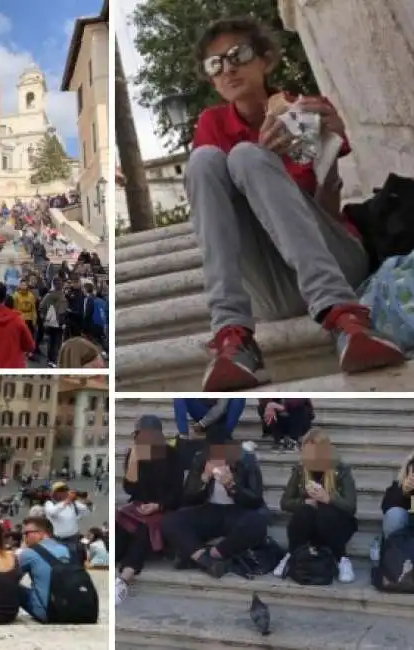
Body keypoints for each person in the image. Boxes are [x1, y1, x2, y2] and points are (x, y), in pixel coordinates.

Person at [186, 16, 404, 391]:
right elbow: (220, 215)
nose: (229, 68)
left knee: (246, 157)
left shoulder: (305, 111)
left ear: (266, 59)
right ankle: (232, 335)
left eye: (239, 54)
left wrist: (329, 151)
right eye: (215, 64)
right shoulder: (212, 124)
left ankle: (346, 317)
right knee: (208, 160)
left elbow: (330, 208)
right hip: (274, 286)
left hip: (335, 263)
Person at [160, 439, 268, 578]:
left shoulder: (246, 460)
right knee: (170, 521)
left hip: (237, 511)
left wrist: (232, 486)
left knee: (258, 524)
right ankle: (203, 559)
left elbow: (255, 499)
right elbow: (187, 497)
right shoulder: (201, 459)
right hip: (210, 510)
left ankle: (213, 555)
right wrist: (203, 479)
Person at [115, 415, 184, 603]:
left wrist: (158, 505)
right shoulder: (136, 454)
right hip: (139, 506)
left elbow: (178, 492)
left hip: (164, 507)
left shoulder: (172, 455)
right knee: (119, 526)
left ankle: (124, 579)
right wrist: (134, 460)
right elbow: (130, 488)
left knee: (141, 531)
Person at [278, 428, 357, 583]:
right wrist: (304, 501)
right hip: (310, 525)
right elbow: (285, 502)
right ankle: (291, 555)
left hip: (337, 525)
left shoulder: (341, 470)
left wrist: (328, 498)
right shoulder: (301, 470)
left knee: (326, 512)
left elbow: (351, 506)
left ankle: (342, 558)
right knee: (304, 511)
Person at [17, 516, 69, 623]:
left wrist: (22, 550)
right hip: (71, 609)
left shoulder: (29, 553)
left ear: (41, 533)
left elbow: (9, 577)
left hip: (48, 613)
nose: (24, 537)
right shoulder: (65, 550)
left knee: (13, 587)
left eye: (26, 533)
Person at [44, 483, 90, 566]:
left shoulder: (72, 503)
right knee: (59, 563)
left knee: (76, 562)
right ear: (54, 493)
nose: (64, 493)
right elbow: (52, 512)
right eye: (60, 491)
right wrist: (67, 501)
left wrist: (78, 500)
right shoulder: (49, 503)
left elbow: (85, 510)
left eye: (65, 490)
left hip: (73, 539)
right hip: (58, 540)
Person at [381, 451, 414, 540]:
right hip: (406, 541)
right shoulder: (401, 486)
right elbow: (386, 505)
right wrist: (404, 492)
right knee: (395, 515)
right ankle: (393, 550)